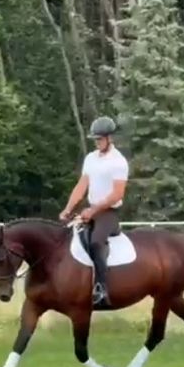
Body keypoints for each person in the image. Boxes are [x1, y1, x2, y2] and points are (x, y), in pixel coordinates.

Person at [60, 116, 129, 307]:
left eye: (100, 139)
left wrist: (93, 210)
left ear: (110, 138)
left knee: (96, 241)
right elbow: (81, 186)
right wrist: (68, 209)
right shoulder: (90, 159)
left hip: (108, 213)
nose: (97, 142)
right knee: (65, 236)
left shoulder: (118, 161)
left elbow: (117, 194)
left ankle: (101, 288)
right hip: (91, 210)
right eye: (95, 139)